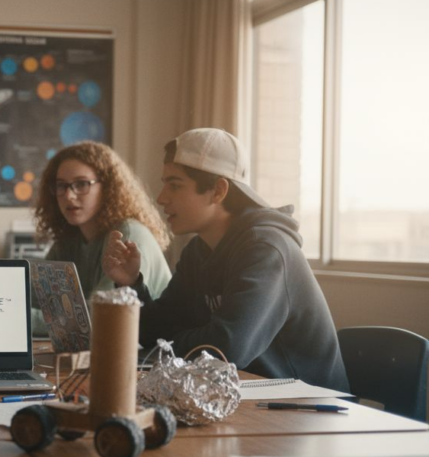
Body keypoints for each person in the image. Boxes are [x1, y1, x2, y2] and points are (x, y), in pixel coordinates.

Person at [103, 128, 348, 390]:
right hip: (246, 397)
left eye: (174, 185)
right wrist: (130, 284)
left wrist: (171, 342)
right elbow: (155, 331)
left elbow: (226, 350)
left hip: (308, 409)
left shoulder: (266, 249)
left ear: (218, 190)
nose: (161, 198)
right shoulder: (199, 251)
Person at [32, 141, 171, 334]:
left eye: (81, 184)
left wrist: (19, 318)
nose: (69, 196)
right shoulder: (67, 241)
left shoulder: (127, 235)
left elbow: (101, 316)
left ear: (108, 187)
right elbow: (43, 300)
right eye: (61, 186)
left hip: (147, 358)